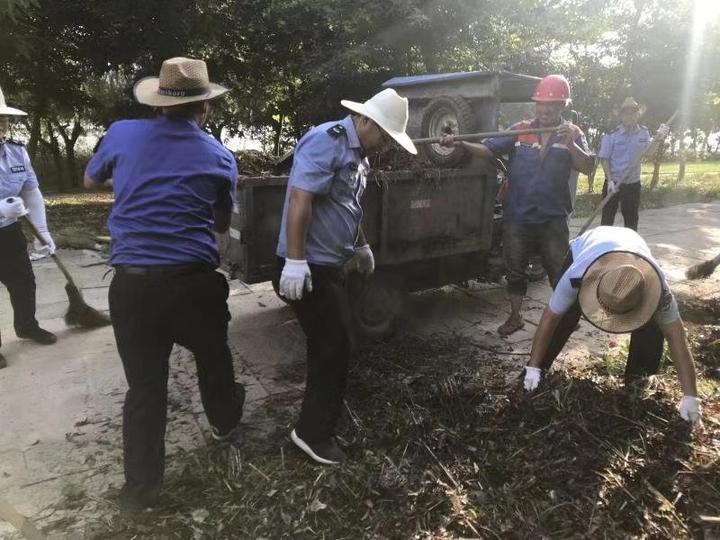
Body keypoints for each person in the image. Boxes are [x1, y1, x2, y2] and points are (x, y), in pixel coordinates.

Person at [84, 57, 245, 510]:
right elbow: (219, 220)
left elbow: (90, 178)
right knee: (214, 357)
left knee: (145, 386)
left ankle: (140, 491)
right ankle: (225, 425)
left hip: (132, 288)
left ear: (157, 103)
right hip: (192, 285)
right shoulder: (219, 157)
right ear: (205, 108)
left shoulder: (121, 133)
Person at [273, 88, 417, 465]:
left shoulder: (359, 155)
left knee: (328, 345)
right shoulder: (327, 141)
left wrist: (362, 245)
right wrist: (295, 259)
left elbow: (347, 208)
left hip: (330, 264)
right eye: (383, 135)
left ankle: (315, 424)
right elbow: (300, 199)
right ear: (364, 120)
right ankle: (311, 434)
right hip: (309, 265)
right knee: (335, 345)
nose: (385, 145)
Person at [441, 75, 594, 336]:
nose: (544, 110)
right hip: (518, 215)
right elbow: (489, 149)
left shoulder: (572, 134)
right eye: (540, 105)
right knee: (514, 269)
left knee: (558, 269)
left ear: (562, 106)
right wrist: (460, 143)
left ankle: (565, 317)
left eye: (552, 105)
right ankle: (515, 317)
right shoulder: (521, 129)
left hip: (553, 217)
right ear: (535, 105)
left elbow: (588, 167)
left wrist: (570, 145)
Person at [521, 226, 702, 425]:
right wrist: (533, 366)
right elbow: (549, 319)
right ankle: (538, 371)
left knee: (652, 327)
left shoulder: (658, 289)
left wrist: (691, 396)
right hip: (588, 248)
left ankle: (637, 381)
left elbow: (677, 338)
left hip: (632, 247)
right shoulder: (578, 274)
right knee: (565, 318)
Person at [0, 86, 57, 369]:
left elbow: (31, 192)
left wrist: (43, 232)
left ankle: (27, 325)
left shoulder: (16, 153)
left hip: (9, 233)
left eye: (3, 119)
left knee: (23, 282)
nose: (1, 126)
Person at [599, 97, 669, 230]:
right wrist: (609, 181)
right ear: (621, 115)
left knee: (631, 220)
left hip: (632, 184)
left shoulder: (643, 132)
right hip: (613, 183)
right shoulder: (612, 134)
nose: (629, 116)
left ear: (638, 114)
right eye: (626, 113)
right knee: (607, 220)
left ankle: (630, 249)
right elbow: (604, 158)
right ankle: (604, 248)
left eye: (633, 112)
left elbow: (648, 153)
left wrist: (659, 138)